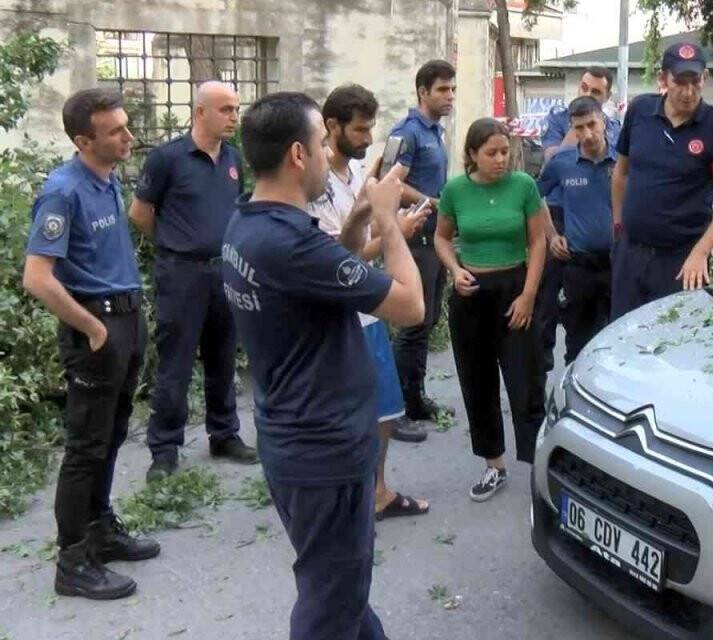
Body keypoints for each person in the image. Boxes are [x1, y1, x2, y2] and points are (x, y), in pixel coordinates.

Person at [222, 92, 423, 639]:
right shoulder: (288, 243)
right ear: (297, 155)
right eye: (319, 143)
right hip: (324, 449)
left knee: (342, 590)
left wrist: (359, 216)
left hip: (297, 437)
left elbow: (333, 264)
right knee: (331, 601)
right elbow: (410, 305)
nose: (325, 152)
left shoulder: (250, 223)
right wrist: (387, 218)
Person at [23, 88, 159, 600]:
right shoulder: (63, 190)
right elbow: (37, 278)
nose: (129, 136)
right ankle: (72, 559)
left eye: (126, 125)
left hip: (125, 320)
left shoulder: (105, 180)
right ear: (84, 140)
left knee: (113, 432)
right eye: (116, 130)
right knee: (85, 446)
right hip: (97, 330)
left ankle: (100, 529)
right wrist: (93, 328)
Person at [308, 84, 431, 520]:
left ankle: (376, 490)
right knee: (355, 413)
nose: (366, 139)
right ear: (332, 126)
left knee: (385, 409)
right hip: (342, 312)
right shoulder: (316, 183)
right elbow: (335, 260)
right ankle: (351, 498)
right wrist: (388, 232)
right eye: (359, 130)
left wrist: (395, 225)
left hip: (367, 307)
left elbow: (361, 242)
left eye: (370, 130)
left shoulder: (357, 175)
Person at [129, 81, 258, 482]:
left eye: (236, 109)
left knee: (222, 358)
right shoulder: (168, 158)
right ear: (200, 112)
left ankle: (224, 434)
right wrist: (175, 245)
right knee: (176, 364)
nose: (234, 117)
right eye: (225, 109)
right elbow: (140, 213)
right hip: (181, 273)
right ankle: (165, 449)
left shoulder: (233, 158)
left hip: (224, 271)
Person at [434, 118, 549, 502]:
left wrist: (529, 295)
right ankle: (494, 465)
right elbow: (441, 237)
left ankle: (538, 469)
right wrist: (454, 269)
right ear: (472, 155)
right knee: (477, 382)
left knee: (525, 381)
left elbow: (538, 242)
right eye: (491, 153)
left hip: (516, 291)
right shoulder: (455, 190)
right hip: (472, 296)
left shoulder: (524, 186)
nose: (501, 160)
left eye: (505, 152)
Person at [610, 42, 713, 320]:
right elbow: (621, 172)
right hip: (630, 255)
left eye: (695, 82)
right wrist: (619, 226)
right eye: (680, 82)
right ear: (663, 79)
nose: (688, 92)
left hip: (682, 261)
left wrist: (700, 253)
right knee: (622, 337)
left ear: (705, 78)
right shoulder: (640, 111)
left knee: (672, 344)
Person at [536, 67, 622, 372]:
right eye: (579, 128)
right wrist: (551, 235)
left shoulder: (624, 161)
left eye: (591, 125)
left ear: (604, 120)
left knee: (616, 342)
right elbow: (535, 195)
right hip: (580, 267)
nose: (586, 134)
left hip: (618, 266)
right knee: (577, 345)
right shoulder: (563, 162)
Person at [390, 60, 458, 431]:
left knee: (427, 321)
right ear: (422, 92)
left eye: (452, 89)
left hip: (434, 239)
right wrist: (431, 203)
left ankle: (415, 399)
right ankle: (397, 407)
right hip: (414, 238)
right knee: (412, 323)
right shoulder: (407, 133)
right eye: (442, 90)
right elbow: (392, 183)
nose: (449, 96)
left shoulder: (435, 132)